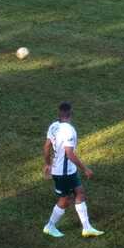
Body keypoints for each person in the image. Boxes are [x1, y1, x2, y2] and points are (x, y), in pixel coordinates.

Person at [42, 102, 103, 238]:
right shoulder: (69, 131)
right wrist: (85, 169)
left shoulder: (53, 126)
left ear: (60, 113)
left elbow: (46, 147)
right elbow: (69, 153)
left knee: (80, 193)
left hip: (68, 170)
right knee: (65, 200)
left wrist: (47, 164)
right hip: (63, 173)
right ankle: (50, 226)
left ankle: (87, 228)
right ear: (71, 113)